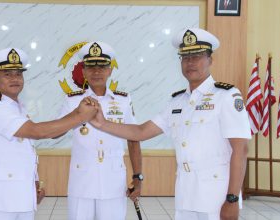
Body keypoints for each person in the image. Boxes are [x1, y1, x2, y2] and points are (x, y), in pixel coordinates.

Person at [90, 29, 251, 220]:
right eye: (185, 57)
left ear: (210, 60)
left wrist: (232, 198)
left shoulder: (226, 96)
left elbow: (240, 150)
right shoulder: (177, 101)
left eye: (197, 56)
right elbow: (141, 131)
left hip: (216, 195)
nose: (190, 62)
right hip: (185, 192)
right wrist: (101, 123)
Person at [0, 48, 98, 220]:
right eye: (7, 74)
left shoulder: (17, 107)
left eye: (18, 74)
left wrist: (33, 183)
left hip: (21, 198)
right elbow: (37, 132)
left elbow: (24, 150)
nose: (15, 78)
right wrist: (81, 116)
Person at [56, 42, 143, 220]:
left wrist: (137, 176)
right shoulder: (72, 100)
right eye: (91, 67)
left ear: (110, 70)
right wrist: (77, 114)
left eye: (102, 66)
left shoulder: (123, 100)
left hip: (113, 181)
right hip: (82, 182)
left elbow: (133, 138)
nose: (97, 71)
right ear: (84, 71)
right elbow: (56, 132)